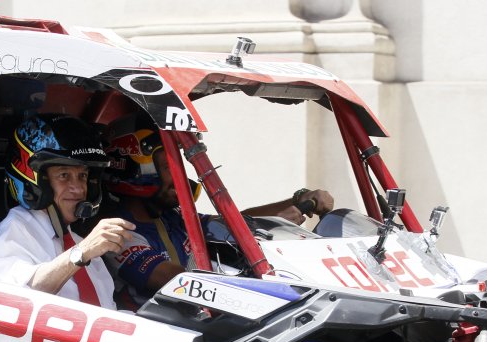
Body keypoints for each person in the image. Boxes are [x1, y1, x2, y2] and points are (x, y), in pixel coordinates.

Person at [102, 114, 334, 307]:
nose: (179, 177)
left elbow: (233, 223)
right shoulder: (118, 233)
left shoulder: (173, 218)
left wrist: (296, 201)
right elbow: (175, 279)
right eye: (167, 166)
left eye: (178, 166)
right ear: (135, 170)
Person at [0, 114, 134, 309]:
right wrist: (81, 253)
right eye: (64, 175)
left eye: (82, 176)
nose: (78, 189)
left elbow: (108, 313)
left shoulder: (85, 246)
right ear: (39, 181)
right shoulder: (17, 228)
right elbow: (14, 298)